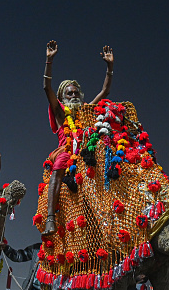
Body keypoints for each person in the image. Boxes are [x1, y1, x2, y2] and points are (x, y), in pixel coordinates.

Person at [41, 40, 114, 235]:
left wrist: (110, 66)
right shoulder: (60, 112)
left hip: (85, 151)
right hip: (66, 151)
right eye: (69, 93)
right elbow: (46, 88)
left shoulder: (85, 111)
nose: (73, 96)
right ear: (62, 97)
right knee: (61, 163)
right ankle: (50, 218)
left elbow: (104, 92)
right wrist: (49, 61)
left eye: (76, 93)